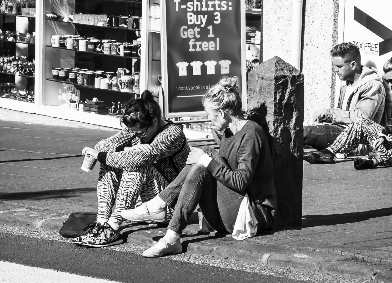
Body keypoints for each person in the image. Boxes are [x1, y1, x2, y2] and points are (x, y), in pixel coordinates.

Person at [121, 77, 277, 258]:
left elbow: (240, 181)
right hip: (229, 215)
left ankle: (160, 208)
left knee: (206, 156)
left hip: (254, 215)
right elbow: (221, 173)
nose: (208, 118)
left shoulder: (251, 133)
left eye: (209, 113)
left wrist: (208, 160)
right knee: (203, 161)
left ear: (223, 112)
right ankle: (170, 233)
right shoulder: (227, 132)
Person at [75, 90, 189, 247]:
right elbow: (106, 144)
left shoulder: (172, 133)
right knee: (110, 161)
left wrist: (103, 154)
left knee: (136, 164)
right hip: (144, 202)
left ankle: (113, 226)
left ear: (155, 121)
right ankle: (101, 222)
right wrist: (95, 152)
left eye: (141, 133)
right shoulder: (139, 129)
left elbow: (142, 156)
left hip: (168, 204)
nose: (138, 136)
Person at [308, 58, 392, 169]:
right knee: (360, 122)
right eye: (387, 81)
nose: (390, 84)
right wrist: (384, 135)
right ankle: (329, 152)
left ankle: (375, 161)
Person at [303, 42, 390, 161]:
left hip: (358, 140)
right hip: (341, 132)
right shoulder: (346, 83)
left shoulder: (372, 85)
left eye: (339, 66)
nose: (335, 70)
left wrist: (330, 114)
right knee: (303, 131)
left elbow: (362, 118)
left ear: (353, 64)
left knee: (304, 133)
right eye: (334, 66)